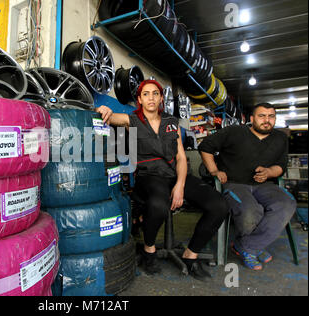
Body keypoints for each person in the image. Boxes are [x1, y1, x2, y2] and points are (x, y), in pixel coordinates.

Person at [96, 80, 229, 281]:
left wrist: (180, 186)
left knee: (219, 205)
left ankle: (191, 255)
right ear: (139, 99)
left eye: (155, 93)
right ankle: (149, 250)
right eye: (146, 94)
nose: (151, 98)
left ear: (160, 98)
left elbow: (182, 158)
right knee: (159, 204)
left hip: (175, 175)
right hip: (148, 177)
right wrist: (103, 109)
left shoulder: (171, 123)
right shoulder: (131, 120)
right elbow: (110, 116)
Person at [199, 103, 296, 270]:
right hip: (235, 184)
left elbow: (281, 165)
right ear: (252, 119)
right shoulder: (235, 132)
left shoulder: (280, 138)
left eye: (271, 116)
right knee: (251, 210)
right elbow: (205, 147)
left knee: (287, 204)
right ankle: (255, 247)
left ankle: (247, 247)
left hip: (265, 185)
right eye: (262, 116)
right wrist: (214, 170)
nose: (267, 120)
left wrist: (268, 172)